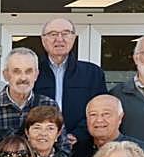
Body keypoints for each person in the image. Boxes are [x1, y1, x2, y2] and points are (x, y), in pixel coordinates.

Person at [34, 17, 107, 145]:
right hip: (40, 145)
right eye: (53, 34)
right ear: (43, 40)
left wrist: (78, 134)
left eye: (65, 33)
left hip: (81, 147)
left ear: (73, 38)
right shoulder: (33, 72)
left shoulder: (92, 73)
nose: (59, 39)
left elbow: (101, 110)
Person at [0, 48, 64, 150]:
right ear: (6, 75)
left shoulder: (48, 105)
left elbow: (63, 146)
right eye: (17, 72)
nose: (23, 78)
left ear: (36, 75)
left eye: (28, 71)